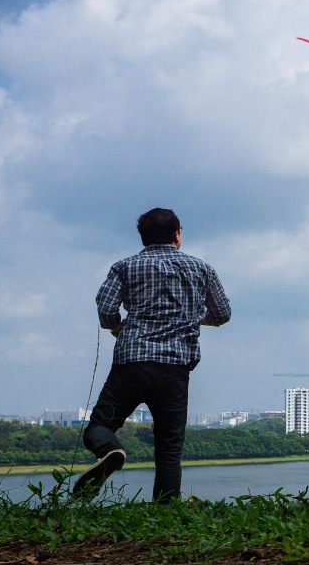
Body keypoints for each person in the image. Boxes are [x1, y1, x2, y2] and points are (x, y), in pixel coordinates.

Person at [74, 207, 231, 502]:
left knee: (98, 427)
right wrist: (194, 318)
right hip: (174, 369)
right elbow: (222, 313)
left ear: (143, 238)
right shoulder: (202, 269)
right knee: (169, 450)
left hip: (131, 363)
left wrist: (117, 327)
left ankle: (111, 451)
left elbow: (106, 309)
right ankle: (165, 511)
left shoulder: (124, 267)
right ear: (177, 235)